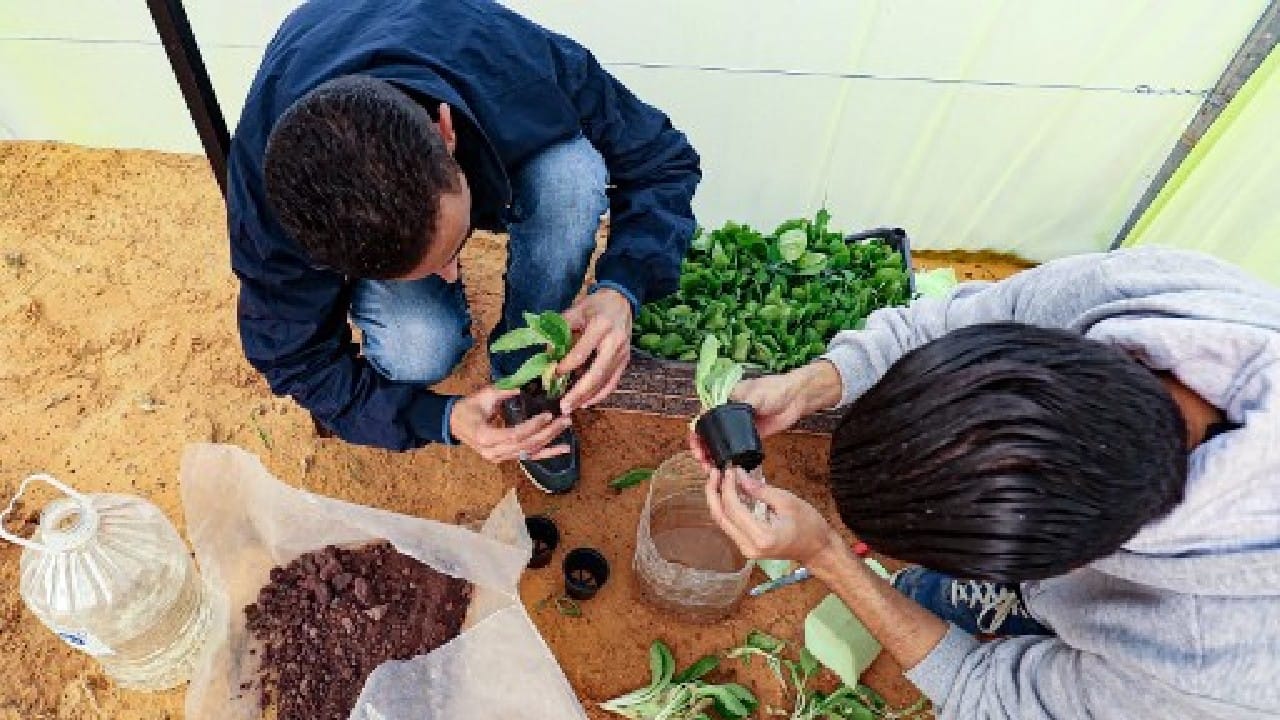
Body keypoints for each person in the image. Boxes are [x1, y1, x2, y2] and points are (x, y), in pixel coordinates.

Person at [696, 247, 1280, 718]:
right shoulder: (1139, 294)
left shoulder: (1209, 666)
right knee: (925, 598)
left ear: (1069, 564)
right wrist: (815, 384)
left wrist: (828, 556)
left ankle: (1037, 615)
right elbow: (952, 320)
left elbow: (987, 694)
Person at [227, 0, 700, 493]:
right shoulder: (268, 208)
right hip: (317, 53)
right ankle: (427, 307)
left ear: (445, 130)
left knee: (573, 177)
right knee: (421, 350)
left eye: (454, 244)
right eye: (421, 268)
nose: (453, 269)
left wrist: (624, 287)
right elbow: (294, 359)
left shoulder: (515, 61)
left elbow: (662, 161)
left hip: (454, 52)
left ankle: (526, 365)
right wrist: (442, 417)